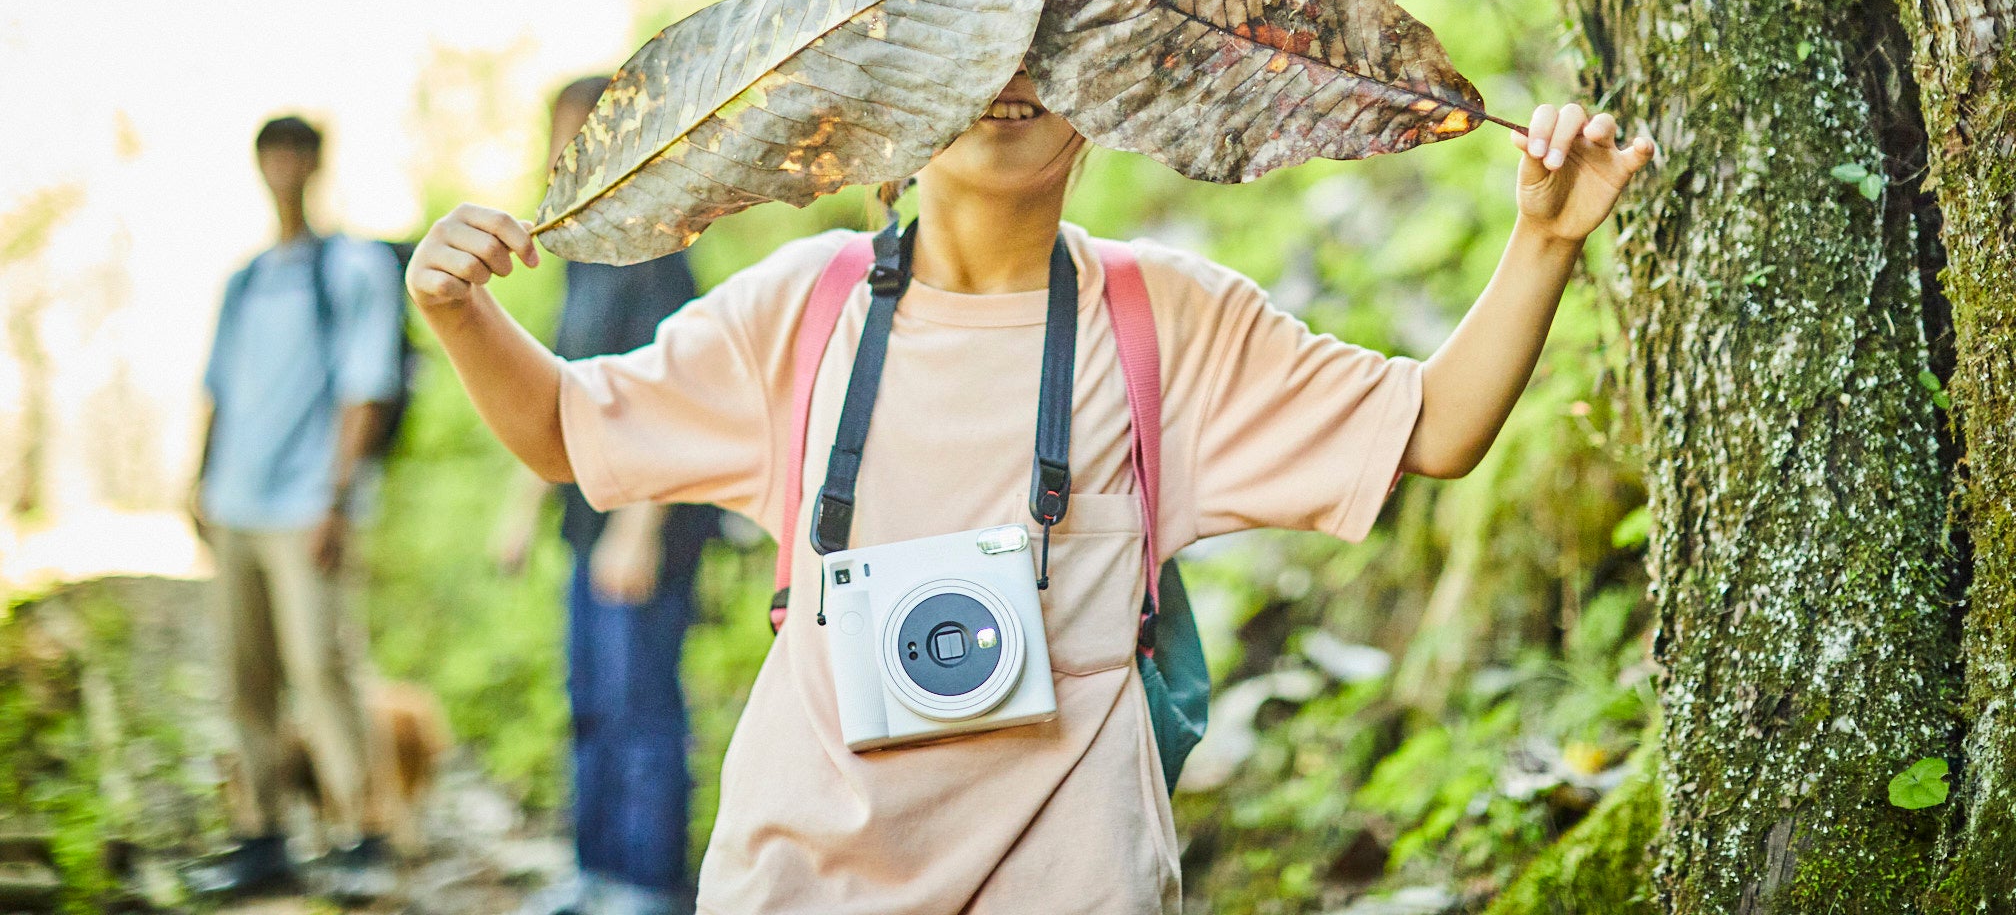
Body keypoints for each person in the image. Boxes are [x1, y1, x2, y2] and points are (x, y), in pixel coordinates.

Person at [406, 70, 1654, 915]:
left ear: (1099, 102)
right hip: (808, 874)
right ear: (899, 107)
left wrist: (1545, 237)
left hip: (1078, 877)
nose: (1009, 74)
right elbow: (569, 429)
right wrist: (458, 309)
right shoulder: (806, 307)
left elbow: (1429, 427)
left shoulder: (1167, 317)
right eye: (972, 46)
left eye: (1048, 48)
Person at [493, 77, 717, 915]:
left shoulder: (659, 250)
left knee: (641, 705)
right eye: (556, 137)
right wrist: (522, 512)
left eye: (577, 134)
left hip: (646, 523)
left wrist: (639, 529)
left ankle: (648, 882)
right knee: (590, 700)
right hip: (586, 520)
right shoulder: (584, 257)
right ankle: (593, 872)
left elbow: (680, 393)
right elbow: (557, 394)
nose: (562, 155)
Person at [186, 115, 405, 902]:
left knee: (321, 666)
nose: (282, 166)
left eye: (295, 152)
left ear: (315, 164)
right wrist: (197, 483)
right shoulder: (245, 279)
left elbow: (367, 389)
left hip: (306, 505)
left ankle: (362, 831)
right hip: (234, 504)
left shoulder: (350, 268)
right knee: (245, 676)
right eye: (270, 153)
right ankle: (262, 833)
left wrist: (338, 499)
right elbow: (215, 391)